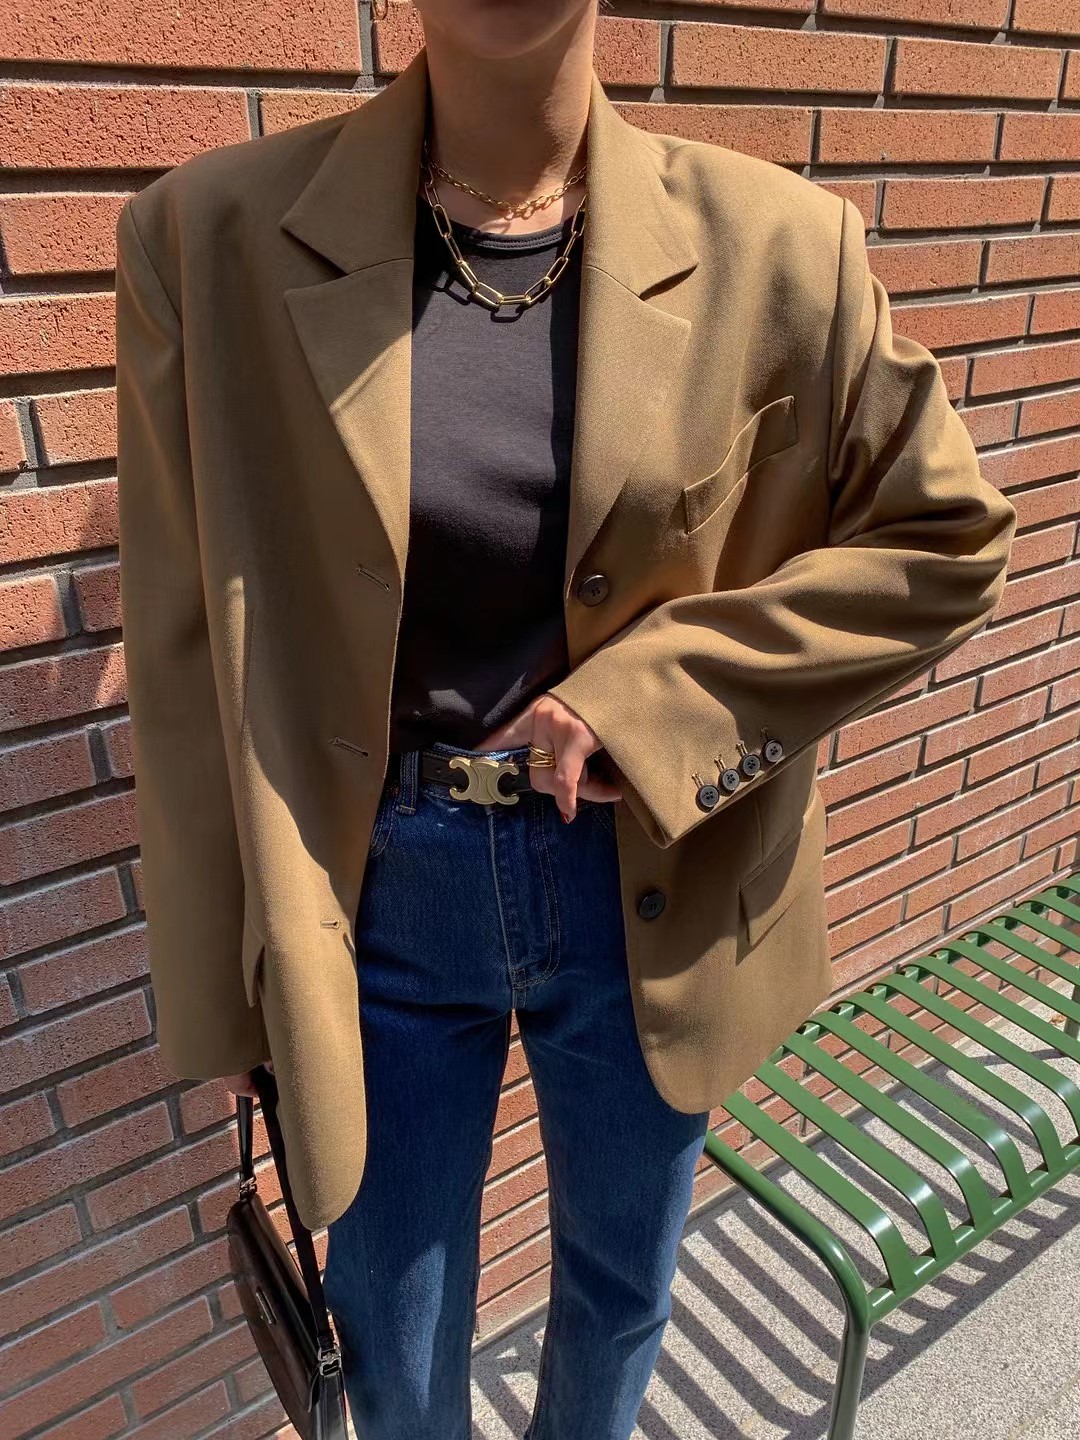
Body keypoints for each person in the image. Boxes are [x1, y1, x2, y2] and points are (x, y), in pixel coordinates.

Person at [113, 1, 1017, 1436]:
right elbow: (178, 646)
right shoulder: (205, 241)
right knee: (393, 1330)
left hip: (649, 873)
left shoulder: (785, 246)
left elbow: (945, 540)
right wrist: (221, 975)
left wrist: (657, 700)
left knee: (619, 1287)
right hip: (371, 893)